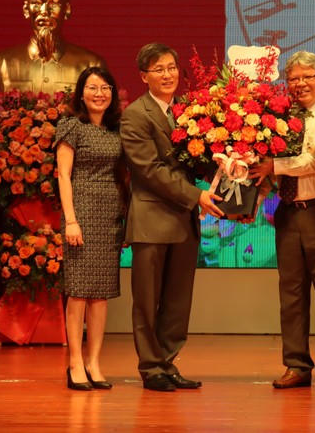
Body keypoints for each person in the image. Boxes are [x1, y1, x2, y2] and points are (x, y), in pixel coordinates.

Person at [120, 43, 224, 392]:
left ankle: (167, 362)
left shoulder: (187, 111)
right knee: (147, 301)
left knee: (178, 301)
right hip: (152, 220)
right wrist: (197, 196)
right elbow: (149, 170)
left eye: (171, 67)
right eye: (158, 69)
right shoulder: (136, 114)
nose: (167, 75)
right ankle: (151, 368)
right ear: (143, 77)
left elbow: (197, 159)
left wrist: (230, 165)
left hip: (183, 219)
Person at [250, 51, 315, 391]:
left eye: (307, 77)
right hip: (289, 211)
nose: (300, 84)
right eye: (293, 78)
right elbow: (265, 167)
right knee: (291, 293)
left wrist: (274, 166)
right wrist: (251, 198)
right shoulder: (278, 116)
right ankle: (296, 364)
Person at [55, 66, 125, 391]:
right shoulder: (71, 126)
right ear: (81, 93)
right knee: (79, 292)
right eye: (93, 88)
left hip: (110, 214)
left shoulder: (116, 129)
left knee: (101, 294)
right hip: (80, 213)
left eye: (105, 88)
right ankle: (74, 363)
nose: (100, 94)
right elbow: (63, 175)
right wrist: (70, 220)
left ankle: (94, 361)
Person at [0, 0, 106, 95]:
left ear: (67, 10)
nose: (44, 11)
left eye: (54, 3)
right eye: (36, 3)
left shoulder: (90, 65)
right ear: (26, 10)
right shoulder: (0, 63)